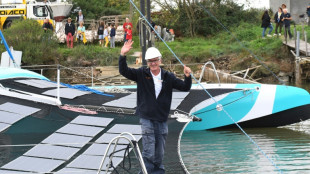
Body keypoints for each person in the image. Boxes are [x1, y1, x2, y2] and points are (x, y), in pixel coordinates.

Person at [119, 40, 192, 174]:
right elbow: (124, 71)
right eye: (150, 61)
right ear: (147, 62)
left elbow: (185, 87)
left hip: (162, 119)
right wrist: (123, 55)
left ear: (160, 60)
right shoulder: (141, 73)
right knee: (149, 151)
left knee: (159, 153)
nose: (153, 63)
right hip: (147, 118)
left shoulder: (168, 76)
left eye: (155, 60)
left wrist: (188, 76)